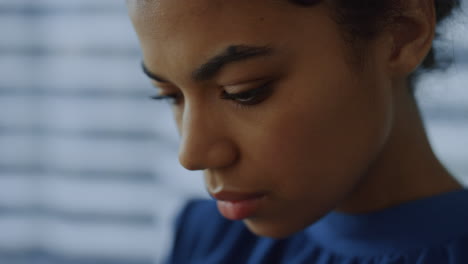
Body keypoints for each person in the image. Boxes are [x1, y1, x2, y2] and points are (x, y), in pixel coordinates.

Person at [127, 0, 468, 263]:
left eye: (244, 91)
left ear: (402, 33)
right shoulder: (208, 240)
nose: (192, 155)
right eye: (170, 95)